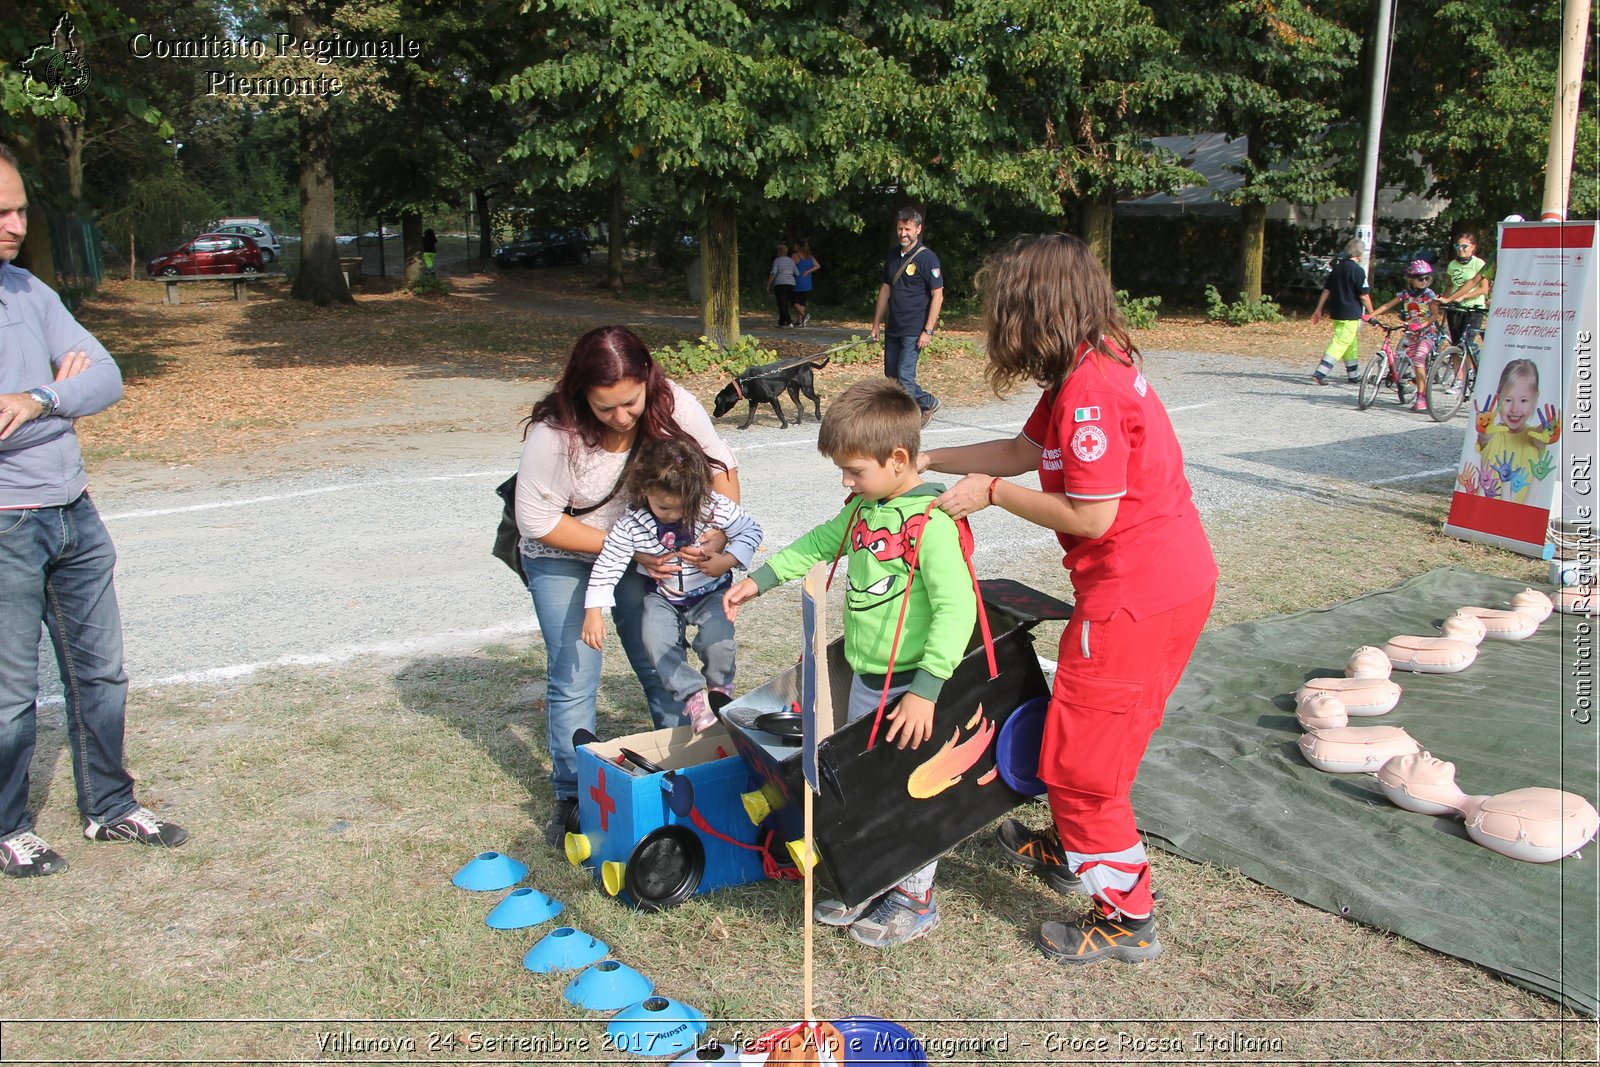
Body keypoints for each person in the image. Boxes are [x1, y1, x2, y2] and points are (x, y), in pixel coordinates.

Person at [919, 233, 1217, 965]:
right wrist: (924, 456)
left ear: (1035, 309)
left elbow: (1091, 515)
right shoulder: (1087, 363)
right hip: (1168, 581)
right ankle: (1075, 845)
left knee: (1083, 762)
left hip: (1135, 597)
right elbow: (1024, 451)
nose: (998, 326)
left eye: (1003, 310)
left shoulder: (1090, 393)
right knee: (1094, 731)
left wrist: (989, 496)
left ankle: (1126, 914)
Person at [723, 378, 977, 947]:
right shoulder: (865, 511)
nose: (846, 482)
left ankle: (916, 896)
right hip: (869, 682)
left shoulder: (931, 525)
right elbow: (817, 545)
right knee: (869, 788)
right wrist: (758, 582)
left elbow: (956, 611)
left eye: (854, 470)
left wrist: (927, 690)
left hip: (913, 690)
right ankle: (875, 875)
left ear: (899, 459)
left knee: (911, 789)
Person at [0, 143, 188, 877]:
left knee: (101, 674)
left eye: (19, 208)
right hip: (7, 522)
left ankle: (109, 806)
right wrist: (56, 394)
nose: (16, 224)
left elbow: (104, 377)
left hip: (73, 510)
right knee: (12, 695)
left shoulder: (29, 292)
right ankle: (8, 824)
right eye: (1, 212)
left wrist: (40, 397)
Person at [515, 325, 741, 845]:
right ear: (580, 395)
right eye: (605, 407)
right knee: (574, 672)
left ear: (647, 380)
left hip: (645, 548)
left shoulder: (674, 404)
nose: (621, 417)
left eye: (630, 403)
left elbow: (721, 468)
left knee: (658, 655)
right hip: (562, 551)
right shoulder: (555, 434)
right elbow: (536, 520)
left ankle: (686, 766)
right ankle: (572, 794)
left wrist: (716, 536)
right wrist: (626, 550)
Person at [581, 438, 763, 733]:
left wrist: (727, 560)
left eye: (682, 508)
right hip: (662, 597)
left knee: (718, 641)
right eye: (664, 507)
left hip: (711, 591)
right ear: (645, 491)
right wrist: (593, 611)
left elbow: (750, 530)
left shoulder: (711, 506)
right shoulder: (631, 525)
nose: (673, 515)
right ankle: (692, 697)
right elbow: (609, 562)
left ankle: (721, 690)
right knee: (655, 642)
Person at [869, 209, 944, 426]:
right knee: (892, 378)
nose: (903, 233)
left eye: (908, 229)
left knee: (904, 378)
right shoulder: (893, 256)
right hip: (894, 326)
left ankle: (927, 402)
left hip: (915, 328)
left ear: (918, 230)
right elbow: (885, 290)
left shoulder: (928, 258)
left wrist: (928, 330)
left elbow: (937, 295)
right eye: (900, 229)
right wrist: (876, 323)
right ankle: (903, 415)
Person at [1474, 358, 1559, 504]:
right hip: (1487, 515)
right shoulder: (1493, 434)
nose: (1514, 409)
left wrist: (1549, 429)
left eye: (1524, 401)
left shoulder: (1535, 437)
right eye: (1508, 400)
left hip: (1521, 519)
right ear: (1498, 398)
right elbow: (1485, 436)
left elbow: (1540, 437)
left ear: (1535, 399)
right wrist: (1483, 428)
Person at [1370, 259, 1442, 412]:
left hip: (1426, 334)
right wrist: (1371, 315)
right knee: (1401, 357)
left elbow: (1435, 316)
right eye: (1419, 278)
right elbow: (1387, 305)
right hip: (1410, 334)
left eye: (1426, 278)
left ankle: (1421, 397)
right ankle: (1405, 382)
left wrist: (1421, 325)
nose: (1424, 281)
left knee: (1418, 359)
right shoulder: (1404, 295)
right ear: (1411, 279)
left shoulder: (1430, 295)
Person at [1309, 238, 1375, 385]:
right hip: (1351, 314)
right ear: (1359, 254)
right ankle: (1320, 373)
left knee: (1350, 343)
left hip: (1337, 312)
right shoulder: (1358, 271)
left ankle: (1354, 375)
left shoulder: (1337, 269)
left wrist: (1318, 309)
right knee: (1340, 342)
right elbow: (1363, 295)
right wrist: (1372, 313)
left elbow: (1326, 291)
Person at [1438, 230, 1490, 354]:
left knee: (1467, 344)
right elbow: (1450, 286)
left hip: (1473, 309)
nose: (1460, 249)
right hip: (1455, 308)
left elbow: (1484, 289)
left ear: (1473, 247)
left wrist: (1464, 296)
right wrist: (1443, 301)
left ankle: (1473, 369)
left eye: (1464, 246)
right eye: (1457, 246)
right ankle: (1458, 373)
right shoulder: (1452, 264)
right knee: (1456, 345)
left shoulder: (1479, 263)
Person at [767, 244, 798, 328]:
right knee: (785, 303)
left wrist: (769, 284)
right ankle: (781, 322)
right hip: (791, 284)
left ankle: (789, 322)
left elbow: (773, 273)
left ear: (780, 252)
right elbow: (797, 272)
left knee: (781, 303)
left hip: (780, 284)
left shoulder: (777, 260)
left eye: (777, 251)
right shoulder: (791, 261)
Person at [792, 240, 819, 326]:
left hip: (797, 280)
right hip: (807, 281)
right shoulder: (809, 256)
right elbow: (817, 265)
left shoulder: (795, 256)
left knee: (793, 300)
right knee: (802, 301)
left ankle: (804, 316)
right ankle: (799, 321)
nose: (794, 247)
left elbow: (790, 266)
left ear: (799, 246)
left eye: (795, 245)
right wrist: (808, 271)